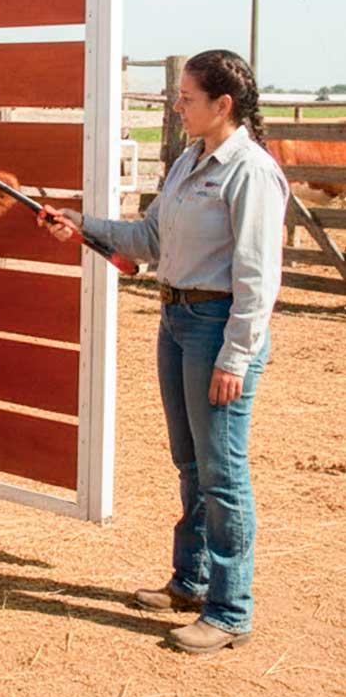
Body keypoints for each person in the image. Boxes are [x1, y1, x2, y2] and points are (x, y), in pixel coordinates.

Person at [40, 49, 288, 654]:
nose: (177, 105)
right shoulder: (186, 163)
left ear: (222, 105)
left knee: (222, 472)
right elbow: (147, 238)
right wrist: (81, 225)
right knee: (190, 463)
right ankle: (192, 581)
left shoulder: (249, 172)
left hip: (216, 326)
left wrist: (236, 356)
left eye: (187, 98)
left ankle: (230, 610)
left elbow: (258, 277)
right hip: (176, 318)